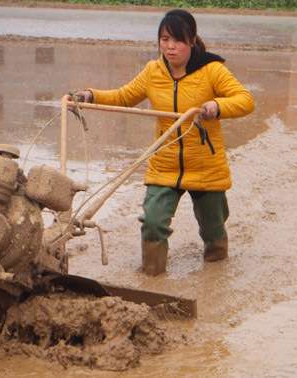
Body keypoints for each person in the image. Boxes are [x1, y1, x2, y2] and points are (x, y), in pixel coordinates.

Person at [73, 9, 254, 276]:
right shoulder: (153, 71)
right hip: (165, 165)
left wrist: (217, 105)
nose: (170, 47)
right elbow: (124, 96)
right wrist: (91, 95)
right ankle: (152, 278)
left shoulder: (212, 70)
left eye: (178, 40)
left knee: (213, 230)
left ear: (192, 40)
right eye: (165, 39)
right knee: (154, 223)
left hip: (205, 166)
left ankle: (216, 272)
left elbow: (245, 100)